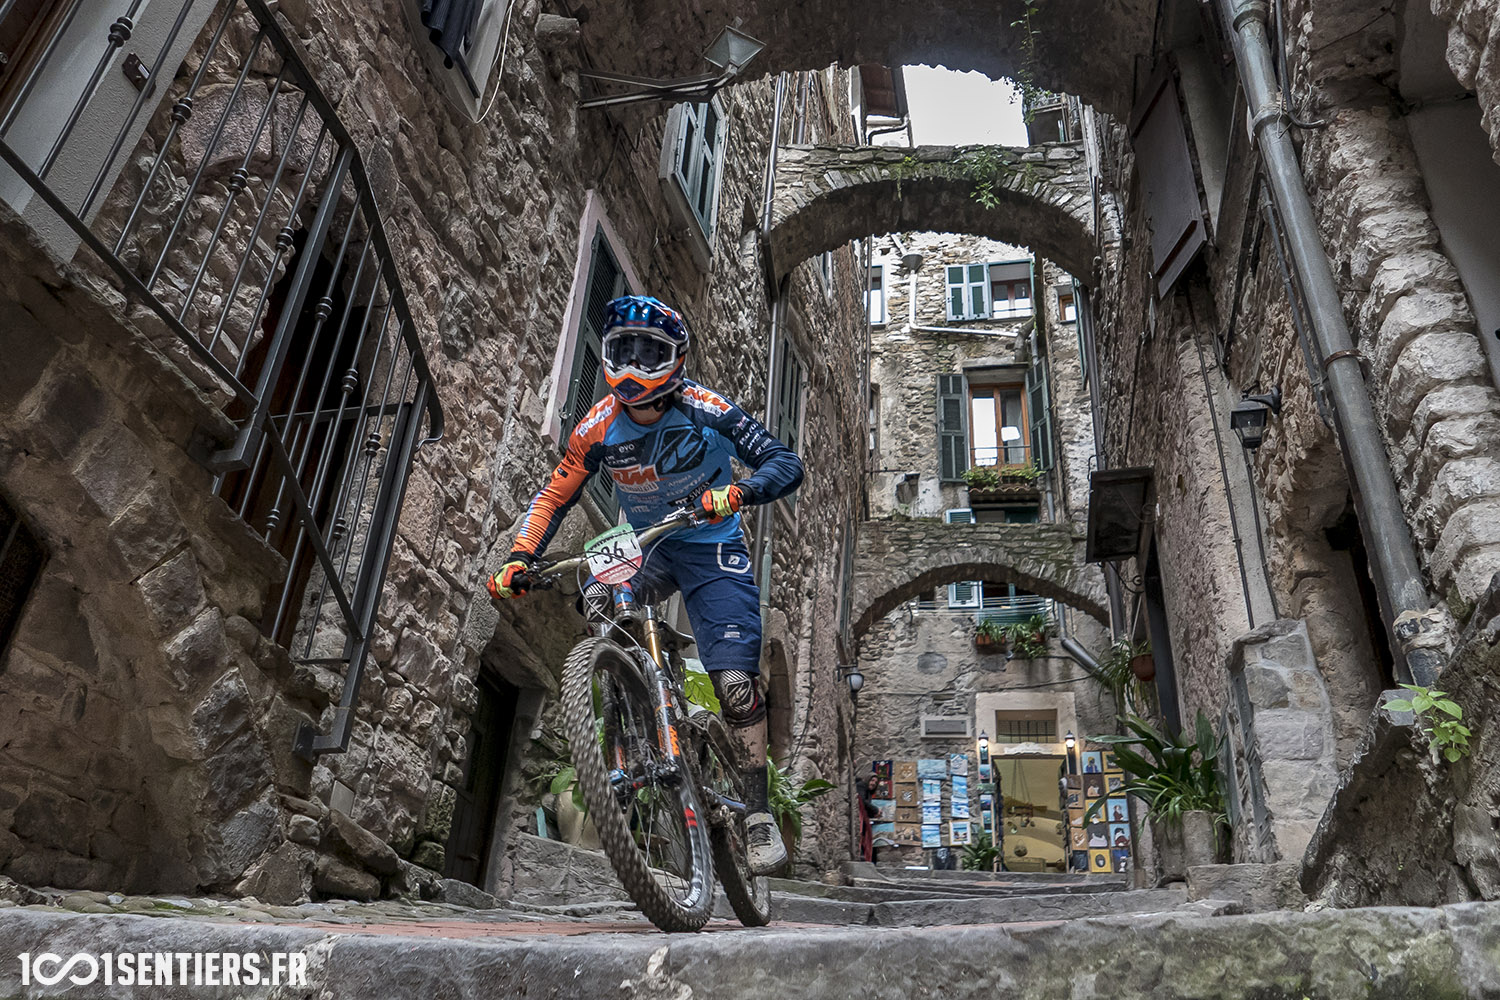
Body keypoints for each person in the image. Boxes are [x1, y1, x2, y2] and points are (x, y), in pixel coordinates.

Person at [488, 295, 804, 874]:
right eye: (621, 352)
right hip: (642, 545)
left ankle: (757, 814)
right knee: (598, 598)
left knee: (735, 686)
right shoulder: (597, 428)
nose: (633, 367)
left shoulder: (707, 408)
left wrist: (734, 494)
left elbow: (785, 463)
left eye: (649, 353)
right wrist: (520, 555)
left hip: (712, 548)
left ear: (676, 360)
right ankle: (631, 723)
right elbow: (557, 494)